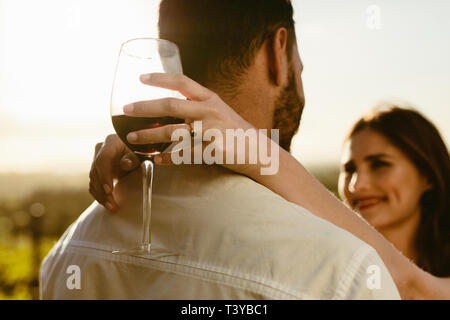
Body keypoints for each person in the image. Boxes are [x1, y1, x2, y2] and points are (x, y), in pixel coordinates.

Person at [40, 0, 401, 299]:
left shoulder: (66, 254)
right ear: (278, 51)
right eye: (299, 69)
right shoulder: (345, 274)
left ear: (171, 64)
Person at [338, 107, 450, 277]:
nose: (356, 184)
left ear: (427, 175)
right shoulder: (331, 271)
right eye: (349, 169)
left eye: (379, 164)